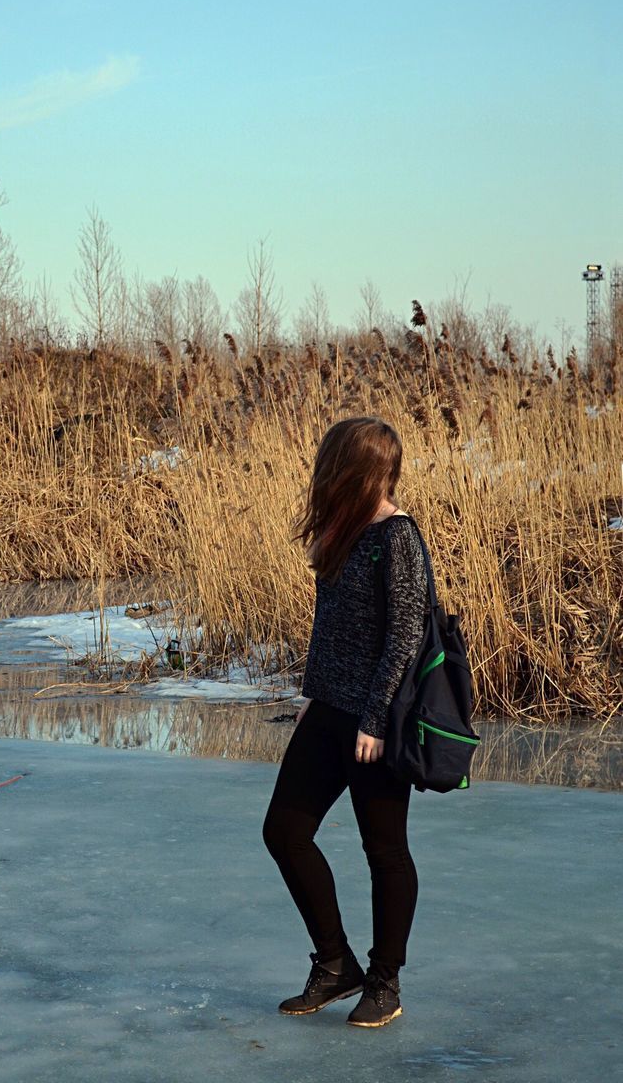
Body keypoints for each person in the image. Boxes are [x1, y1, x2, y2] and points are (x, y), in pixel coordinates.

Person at [262, 416, 429, 1028]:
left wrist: (376, 717)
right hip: (328, 709)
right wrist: (313, 692)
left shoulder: (397, 537)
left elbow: (405, 634)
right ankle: (335, 964)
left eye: (332, 463)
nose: (322, 473)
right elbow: (329, 627)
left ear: (358, 470)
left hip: (374, 722)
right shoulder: (343, 531)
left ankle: (384, 980)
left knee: (384, 850)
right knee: (284, 831)